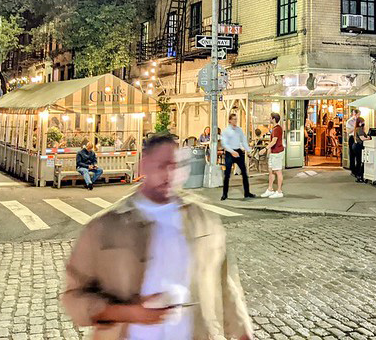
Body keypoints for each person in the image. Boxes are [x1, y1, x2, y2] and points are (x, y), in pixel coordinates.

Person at [62, 132, 254, 340]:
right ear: (144, 166)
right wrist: (130, 313)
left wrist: (243, 333)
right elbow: (74, 297)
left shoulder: (202, 219)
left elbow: (225, 283)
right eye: (162, 165)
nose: (170, 174)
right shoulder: (106, 226)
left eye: (176, 166)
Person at [221, 113, 255, 201]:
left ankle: (247, 193)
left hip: (238, 151)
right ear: (229, 120)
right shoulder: (226, 131)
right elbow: (224, 144)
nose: (235, 121)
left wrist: (248, 150)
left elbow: (243, 141)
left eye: (236, 119)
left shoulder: (239, 130)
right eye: (233, 119)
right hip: (230, 152)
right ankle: (224, 194)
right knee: (227, 174)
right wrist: (232, 152)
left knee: (244, 172)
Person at [261, 112, 285, 199]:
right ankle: (270, 189)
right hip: (273, 152)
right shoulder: (275, 128)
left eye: (270, 118)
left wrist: (265, 149)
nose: (269, 119)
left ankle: (279, 191)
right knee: (271, 171)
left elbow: (274, 141)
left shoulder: (277, 129)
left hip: (277, 152)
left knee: (278, 171)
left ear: (273, 119)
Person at [351, 116, 367, 182]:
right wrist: (369, 138)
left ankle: (357, 173)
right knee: (360, 160)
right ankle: (359, 174)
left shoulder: (356, 129)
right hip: (359, 146)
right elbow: (362, 138)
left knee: (358, 160)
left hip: (355, 146)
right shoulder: (359, 129)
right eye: (363, 122)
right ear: (360, 122)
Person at [346, 109, 360, 177]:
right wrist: (354, 128)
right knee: (352, 154)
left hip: (358, 137)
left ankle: (358, 169)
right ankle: (352, 169)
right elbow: (348, 131)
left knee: (358, 154)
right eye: (358, 114)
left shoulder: (360, 121)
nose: (359, 115)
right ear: (354, 114)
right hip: (352, 137)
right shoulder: (349, 121)